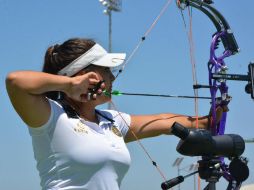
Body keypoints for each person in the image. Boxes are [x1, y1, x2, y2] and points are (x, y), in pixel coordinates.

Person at [6, 38, 216, 190]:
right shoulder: (52, 115)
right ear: (86, 75)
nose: (113, 77)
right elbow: (15, 82)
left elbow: (162, 121)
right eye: (107, 70)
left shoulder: (111, 121)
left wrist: (207, 121)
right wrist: (70, 85)